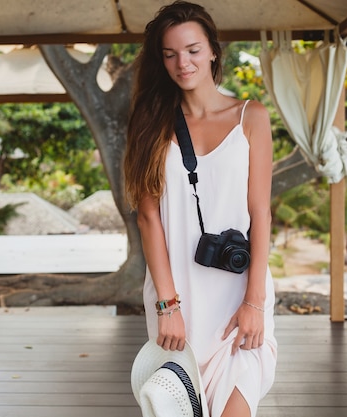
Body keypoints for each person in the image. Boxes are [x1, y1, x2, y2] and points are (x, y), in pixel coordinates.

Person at [125, 2, 277, 416]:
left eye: (192, 50)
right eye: (170, 54)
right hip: (177, 297)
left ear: (213, 50)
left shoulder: (251, 116)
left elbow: (260, 213)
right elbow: (148, 216)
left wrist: (255, 301)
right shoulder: (150, 120)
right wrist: (166, 307)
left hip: (238, 295)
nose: (182, 62)